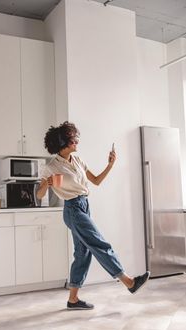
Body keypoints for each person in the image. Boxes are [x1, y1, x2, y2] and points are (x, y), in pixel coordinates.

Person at [37, 121, 150, 310]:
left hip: (84, 205)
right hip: (72, 209)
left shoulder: (78, 160)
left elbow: (96, 181)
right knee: (98, 243)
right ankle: (129, 282)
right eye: (74, 140)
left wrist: (111, 164)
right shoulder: (51, 167)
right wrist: (46, 184)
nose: (77, 143)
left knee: (82, 253)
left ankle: (73, 300)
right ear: (63, 143)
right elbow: (39, 196)